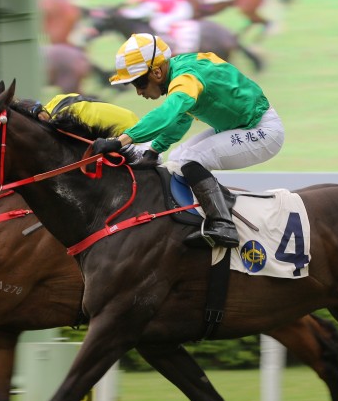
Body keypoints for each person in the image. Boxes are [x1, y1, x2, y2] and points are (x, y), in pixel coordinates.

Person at [92, 33, 285, 249]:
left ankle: (223, 225)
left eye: (139, 82)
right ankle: (213, 207)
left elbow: (167, 113)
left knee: (192, 158)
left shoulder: (186, 79)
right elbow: (181, 117)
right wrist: (154, 151)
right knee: (177, 159)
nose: (138, 92)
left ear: (157, 72)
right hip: (241, 127)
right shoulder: (180, 72)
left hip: (262, 131)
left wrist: (121, 141)